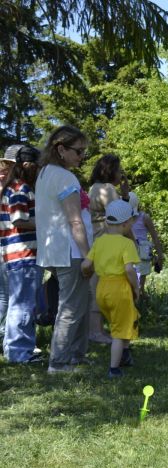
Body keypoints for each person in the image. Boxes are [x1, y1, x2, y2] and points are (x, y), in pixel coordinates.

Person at [35, 125, 93, 374]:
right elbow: (75, 220)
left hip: (54, 251)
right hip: (69, 251)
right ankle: (58, 362)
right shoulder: (65, 177)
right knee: (70, 307)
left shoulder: (44, 173)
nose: (82, 157)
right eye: (78, 152)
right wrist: (89, 255)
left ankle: (76, 356)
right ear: (61, 149)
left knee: (81, 301)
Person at [81, 200, 140, 378]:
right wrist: (135, 289)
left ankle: (126, 353)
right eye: (131, 221)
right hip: (119, 288)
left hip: (102, 288)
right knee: (118, 330)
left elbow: (86, 264)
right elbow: (129, 270)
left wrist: (86, 273)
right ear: (125, 223)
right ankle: (114, 368)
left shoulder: (99, 242)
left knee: (126, 319)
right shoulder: (126, 244)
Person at [1, 145, 43, 363]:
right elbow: (19, 219)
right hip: (24, 254)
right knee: (24, 304)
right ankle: (20, 353)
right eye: (36, 166)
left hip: (13, 255)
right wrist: (45, 224)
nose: (38, 170)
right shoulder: (19, 188)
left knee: (16, 303)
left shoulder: (10, 187)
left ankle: (12, 349)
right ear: (26, 165)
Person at [88, 154, 129, 344]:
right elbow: (119, 216)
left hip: (94, 239)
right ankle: (96, 332)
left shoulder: (93, 188)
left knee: (96, 285)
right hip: (106, 241)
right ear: (111, 170)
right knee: (100, 285)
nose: (121, 174)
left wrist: (125, 195)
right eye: (119, 170)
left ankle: (96, 329)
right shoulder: (108, 189)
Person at [127, 192, 164, 297]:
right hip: (127, 253)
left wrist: (160, 256)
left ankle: (140, 307)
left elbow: (155, 237)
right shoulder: (124, 219)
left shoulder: (144, 217)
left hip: (141, 255)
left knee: (139, 286)